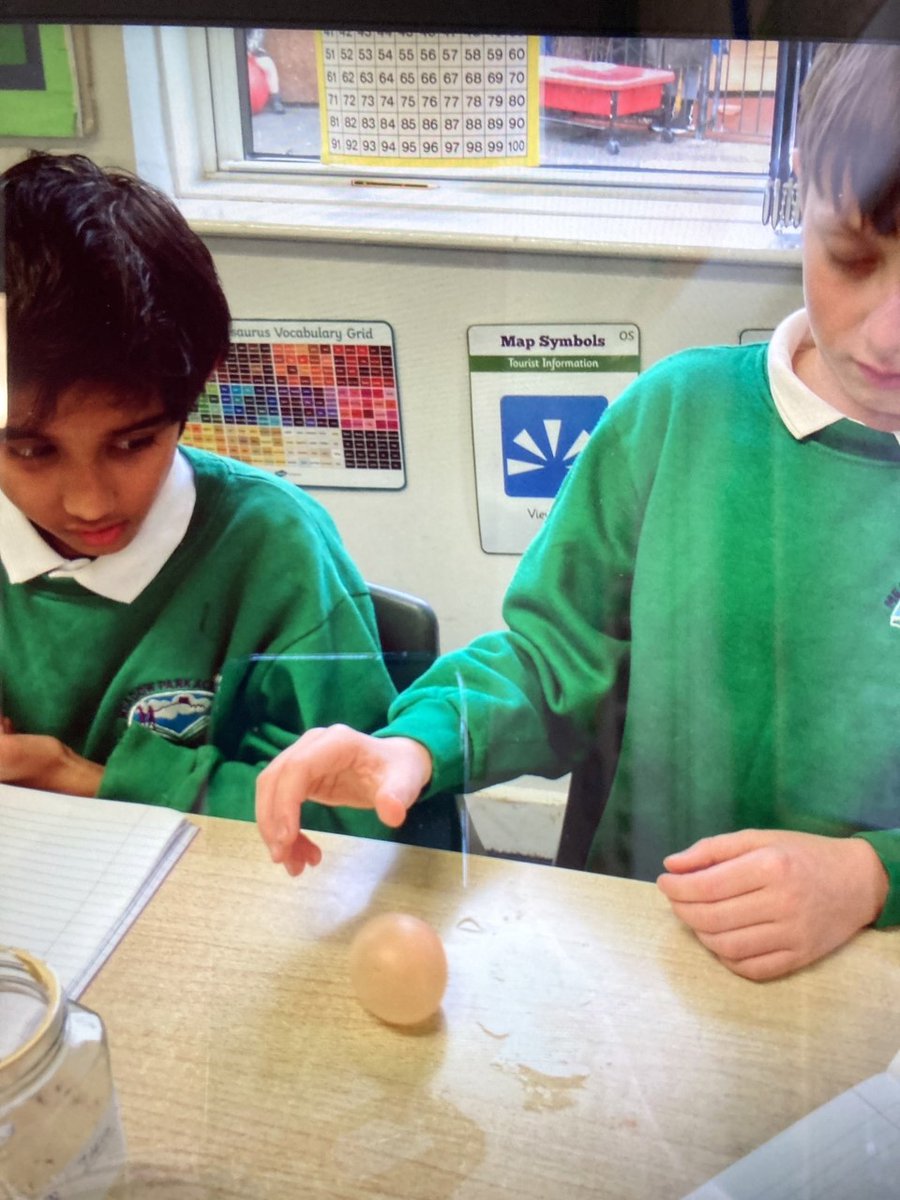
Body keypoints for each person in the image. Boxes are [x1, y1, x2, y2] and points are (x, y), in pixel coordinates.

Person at [256, 41, 900, 980]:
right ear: (801, 195)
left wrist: (874, 875)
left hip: (866, 983)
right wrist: (415, 742)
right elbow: (549, 662)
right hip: (639, 948)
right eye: (850, 257)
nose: (888, 332)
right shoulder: (676, 415)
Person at [0, 151, 397, 838]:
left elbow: (364, 818)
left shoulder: (276, 547)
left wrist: (86, 777)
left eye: (134, 443)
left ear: (197, 388)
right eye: (32, 452)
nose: (90, 503)